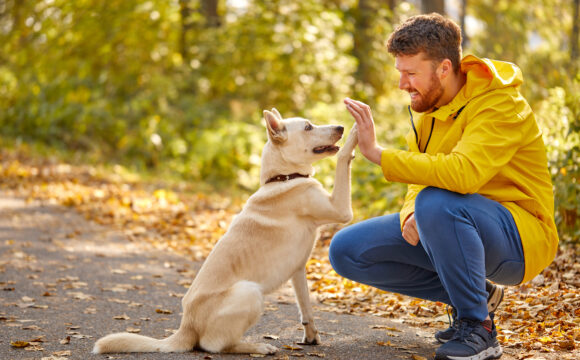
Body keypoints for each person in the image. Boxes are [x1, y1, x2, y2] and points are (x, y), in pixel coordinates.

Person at [329, 13, 559, 360]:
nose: (402, 84)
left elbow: (464, 173)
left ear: (444, 68)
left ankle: (478, 327)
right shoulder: (429, 112)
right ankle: (475, 294)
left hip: (520, 236)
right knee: (347, 250)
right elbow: (419, 180)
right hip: (454, 222)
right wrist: (410, 213)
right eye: (400, 72)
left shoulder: (500, 104)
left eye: (411, 74)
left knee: (437, 202)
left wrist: (378, 154)